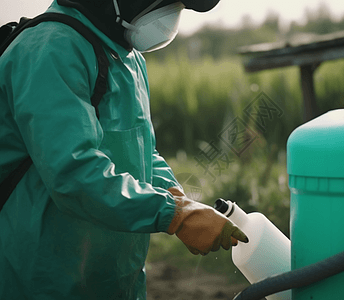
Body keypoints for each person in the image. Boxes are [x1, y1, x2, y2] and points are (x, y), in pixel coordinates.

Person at [0, 0, 248, 299]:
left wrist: (176, 196)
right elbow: (73, 173)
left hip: (114, 271)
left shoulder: (127, 55)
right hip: (45, 273)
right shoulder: (50, 48)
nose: (171, 13)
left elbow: (140, 151)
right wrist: (173, 215)